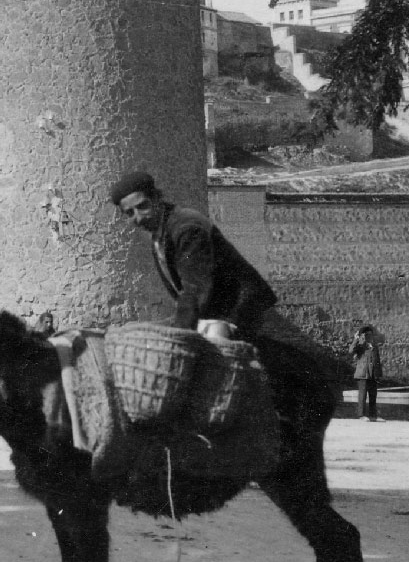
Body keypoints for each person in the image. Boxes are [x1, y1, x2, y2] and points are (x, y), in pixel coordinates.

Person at [109, 170, 342, 421]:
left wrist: (179, 333)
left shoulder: (187, 227)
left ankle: (223, 421)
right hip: (211, 307)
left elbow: (195, 288)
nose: (138, 217)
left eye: (142, 206)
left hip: (236, 304)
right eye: (129, 213)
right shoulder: (160, 235)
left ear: (156, 198)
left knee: (216, 355)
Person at [351, 324, 383, 421]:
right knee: (363, 395)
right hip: (363, 374)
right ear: (363, 336)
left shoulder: (374, 346)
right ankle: (361, 415)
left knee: (373, 395)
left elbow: (377, 361)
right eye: (367, 335)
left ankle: (373, 416)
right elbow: (351, 350)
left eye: (370, 334)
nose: (369, 336)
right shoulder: (361, 346)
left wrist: (378, 374)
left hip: (373, 374)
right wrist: (356, 339)